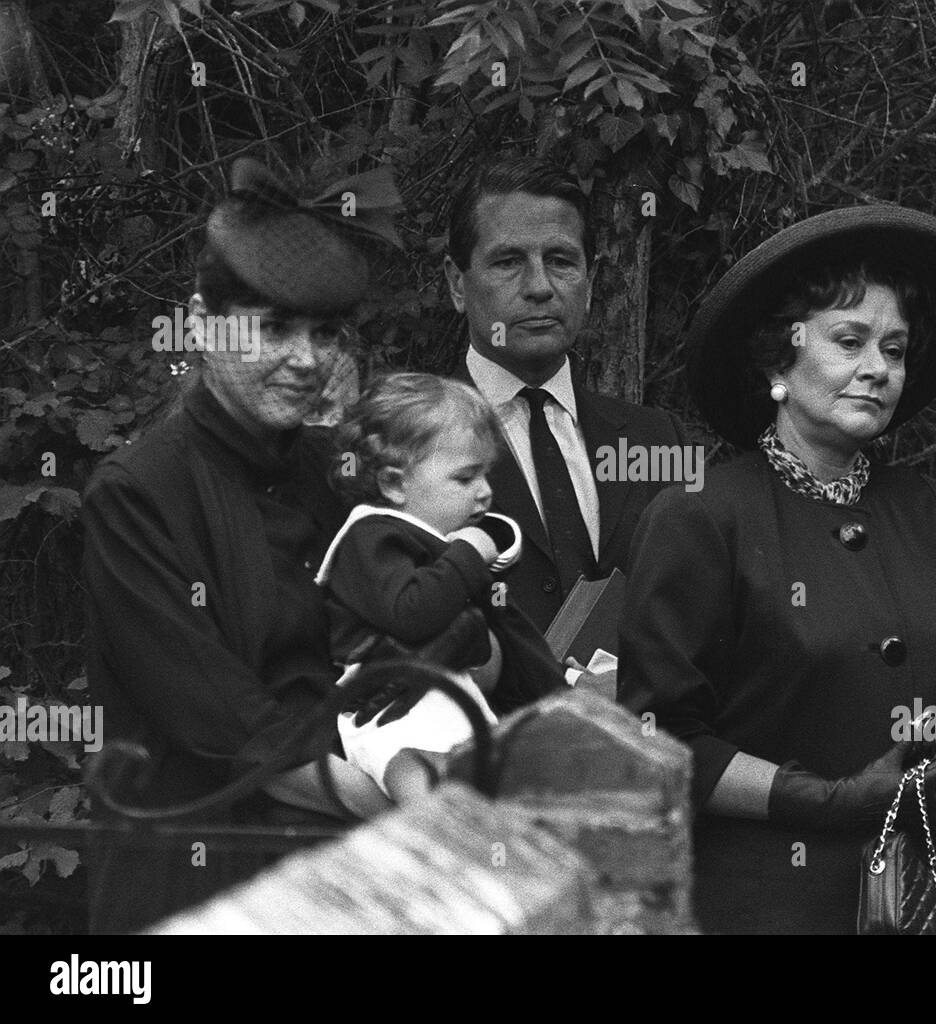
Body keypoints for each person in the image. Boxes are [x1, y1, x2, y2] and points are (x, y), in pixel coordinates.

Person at [617, 206, 936, 934]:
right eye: (850, 342)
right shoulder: (703, 515)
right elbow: (660, 736)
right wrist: (824, 799)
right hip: (762, 904)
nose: (878, 369)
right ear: (780, 361)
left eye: (895, 350)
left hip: (935, 899)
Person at [81, 158, 404, 933]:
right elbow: (234, 731)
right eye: (273, 329)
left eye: (324, 333)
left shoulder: (335, 476)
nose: (306, 360)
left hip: (338, 888)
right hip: (194, 891)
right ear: (200, 322)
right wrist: (419, 793)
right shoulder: (136, 494)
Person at [444, 156, 688, 633]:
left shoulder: (657, 440)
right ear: (457, 283)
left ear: (591, 282)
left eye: (560, 261)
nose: (539, 287)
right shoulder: (406, 440)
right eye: (508, 262)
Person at [316, 372, 564, 803]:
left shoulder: (432, 542)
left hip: (448, 694)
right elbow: (412, 614)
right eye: (465, 479)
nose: (485, 492)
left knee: (480, 771)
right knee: (408, 762)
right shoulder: (371, 536)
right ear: (395, 484)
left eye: (486, 475)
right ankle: (432, 830)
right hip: (386, 704)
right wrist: (469, 554)